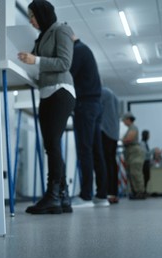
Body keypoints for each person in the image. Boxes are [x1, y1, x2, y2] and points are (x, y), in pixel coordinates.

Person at [18, 0, 76, 214]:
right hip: (47, 92)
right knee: (52, 145)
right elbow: (37, 62)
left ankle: (53, 196)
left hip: (61, 90)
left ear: (43, 14)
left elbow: (64, 63)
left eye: (33, 16)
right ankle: (63, 197)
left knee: (52, 143)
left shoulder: (61, 29)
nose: (31, 20)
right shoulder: (42, 36)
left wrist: (36, 61)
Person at [69, 33, 108, 208]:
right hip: (95, 105)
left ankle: (86, 196)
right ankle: (101, 196)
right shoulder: (85, 50)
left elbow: (68, 75)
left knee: (85, 149)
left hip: (85, 105)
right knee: (96, 152)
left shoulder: (77, 51)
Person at [100, 87, 120, 204]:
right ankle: (113, 193)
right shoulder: (112, 94)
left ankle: (107, 193)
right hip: (114, 133)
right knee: (111, 164)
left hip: (105, 131)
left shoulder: (101, 93)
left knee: (105, 164)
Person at [121, 112, 146, 199]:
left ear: (128, 119)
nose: (123, 122)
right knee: (131, 173)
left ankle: (140, 192)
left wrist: (122, 140)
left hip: (134, 151)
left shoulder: (133, 128)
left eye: (124, 120)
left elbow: (129, 139)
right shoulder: (129, 128)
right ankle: (135, 192)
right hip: (129, 152)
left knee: (135, 172)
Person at [141, 130, 151, 194]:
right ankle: (143, 190)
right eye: (148, 135)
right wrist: (154, 150)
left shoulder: (146, 143)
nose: (149, 136)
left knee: (147, 177)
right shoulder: (142, 143)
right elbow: (146, 153)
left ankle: (145, 190)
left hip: (147, 161)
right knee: (145, 176)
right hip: (144, 162)